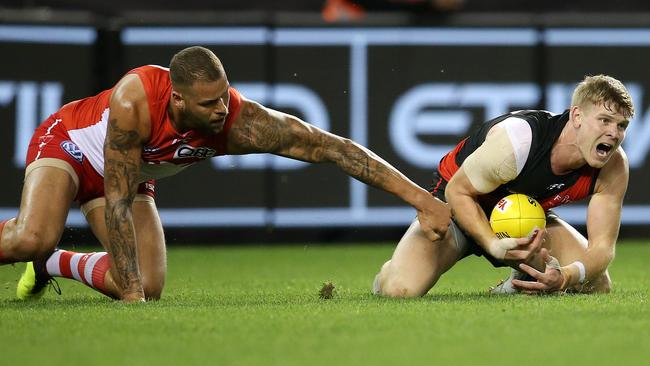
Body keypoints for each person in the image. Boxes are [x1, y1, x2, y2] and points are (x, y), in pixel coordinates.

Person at [0, 46, 450, 302]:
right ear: (177, 100)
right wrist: (130, 294)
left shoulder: (239, 120)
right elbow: (115, 199)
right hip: (72, 146)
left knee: (149, 286)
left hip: (132, 176)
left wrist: (422, 200)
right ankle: (41, 251)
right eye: (208, 103)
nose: (221, 110)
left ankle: (54, 262)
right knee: (31, 237)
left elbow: (334, 149)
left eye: (224, 96)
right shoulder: (133, 102)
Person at [373, 74, 634, 297]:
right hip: (458, 206)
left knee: (597, 284)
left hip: (523, 218)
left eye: (621, 125)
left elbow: (602, 248)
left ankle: (518, 283)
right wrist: (492, 243)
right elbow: (457, 190)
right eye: (605, 120)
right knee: (399, 289)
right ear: (576, 116)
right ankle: (392, 269)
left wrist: (564, 276)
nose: (614, 133)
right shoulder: (519, 141)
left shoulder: (613, 167)